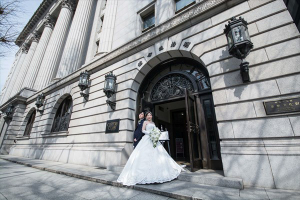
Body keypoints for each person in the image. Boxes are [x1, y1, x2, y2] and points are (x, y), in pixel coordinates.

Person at [117, 111, 185, 186]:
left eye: (150, 115)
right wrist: (149, 133)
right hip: (146, 139)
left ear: (152, 116)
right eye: (148, 115)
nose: (149, 116)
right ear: (146, 116)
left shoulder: (153, 123)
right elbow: (142, 130)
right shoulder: (145, 122)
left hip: (153, 140)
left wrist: (157, 132)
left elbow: (156, 130)